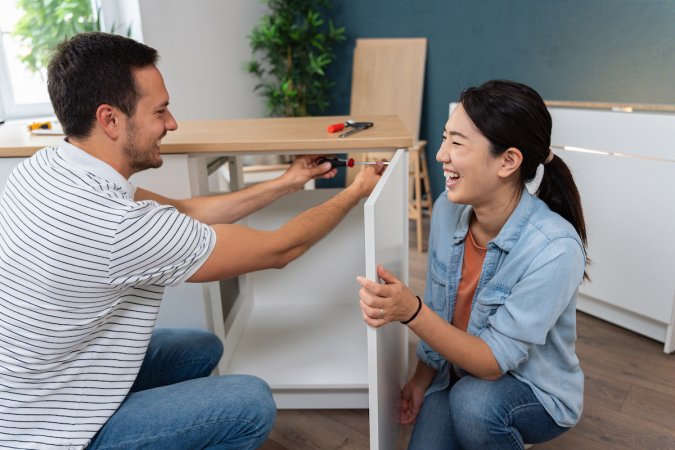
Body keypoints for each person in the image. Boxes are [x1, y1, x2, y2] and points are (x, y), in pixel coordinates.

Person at [0, 32, 384, 449]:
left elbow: (187, 210)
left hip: (31, 390)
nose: (172, 123)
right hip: (49, 434)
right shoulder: (118, 227)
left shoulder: (47, 166)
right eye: (160, 111)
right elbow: (280, 250)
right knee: (249, 402)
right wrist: (356, 190)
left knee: (199, 349)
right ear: (110, 119)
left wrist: (288, 182)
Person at [357, 80, 588, 449]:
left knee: (474, 405)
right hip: (457, 374)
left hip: (534, 391)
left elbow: (493, 362)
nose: (441, 155)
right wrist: (420, 381)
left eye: (457, 143)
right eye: (445, 138)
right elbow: (438, 306)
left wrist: (409, 311)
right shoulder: (449, 211)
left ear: (508, 161)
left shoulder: (555, 248)